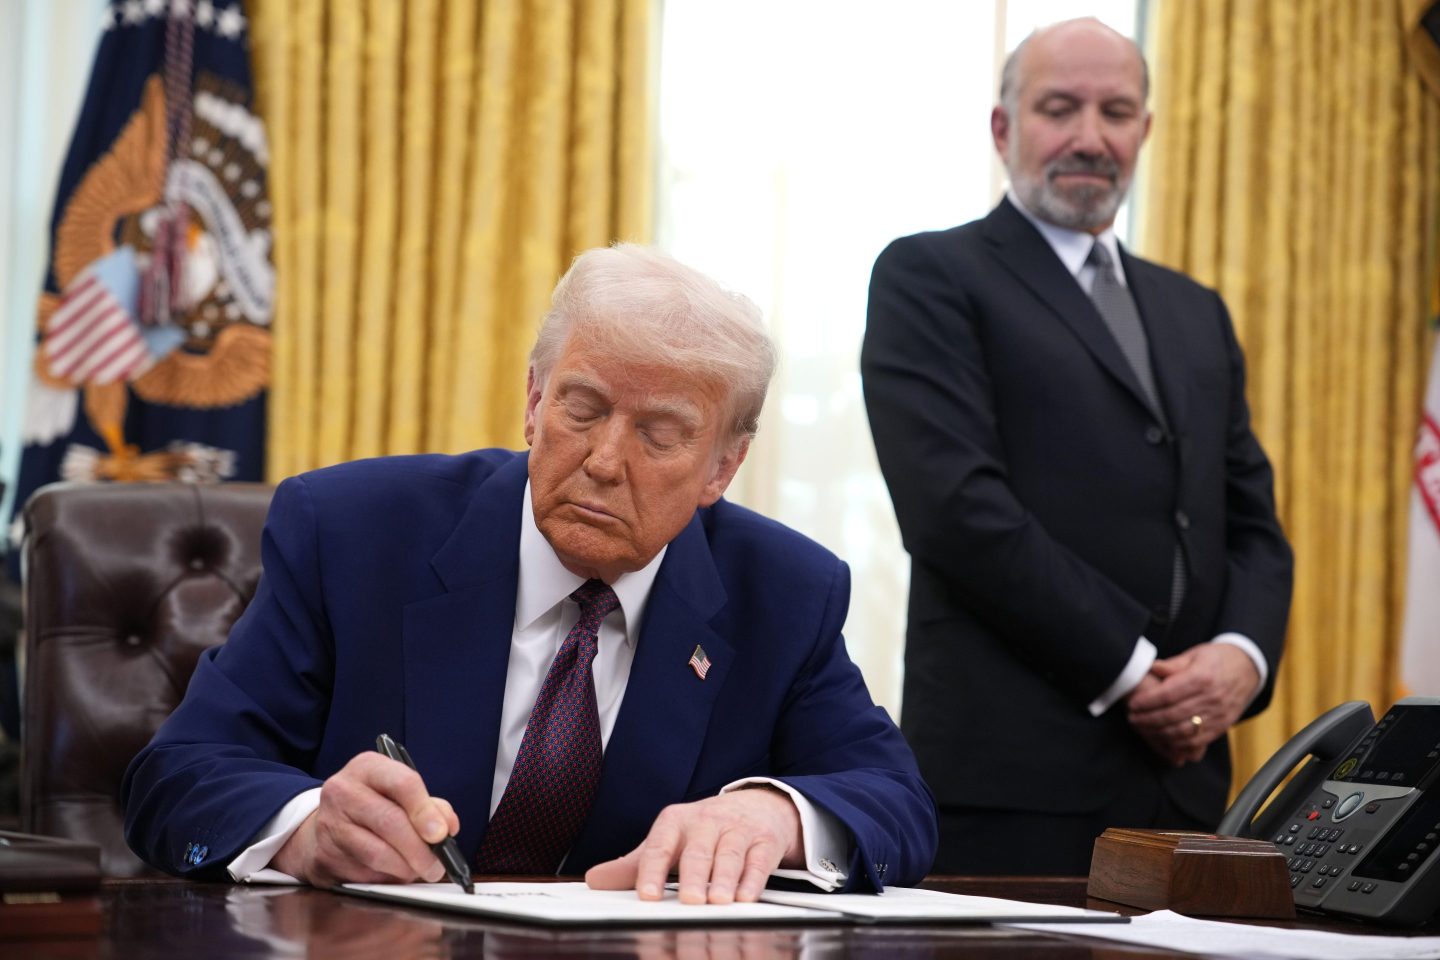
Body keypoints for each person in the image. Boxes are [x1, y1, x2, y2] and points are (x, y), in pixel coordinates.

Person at [123, 244, 937, 902]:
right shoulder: (352, 532)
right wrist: (304, 829)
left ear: (723, 468)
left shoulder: (784, 593)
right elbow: (179, 775)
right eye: (581, 408)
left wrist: (777, 816)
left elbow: (894, 802)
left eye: (660, 435)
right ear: (534, 401)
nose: (605, 461)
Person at [860, 18, 1293, 875]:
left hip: (1186, 788)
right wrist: (1138, 673)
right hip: (1010, 787)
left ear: (1146, 131)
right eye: (1060, 108)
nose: (1091, 137)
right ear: (1003, 128)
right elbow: (956, 509)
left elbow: (1252, 521)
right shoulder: (930, 276)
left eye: (1117, 111)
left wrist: (1241, 659)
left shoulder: (1195, 310)